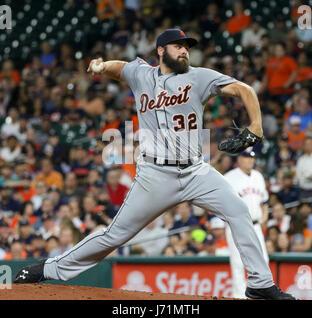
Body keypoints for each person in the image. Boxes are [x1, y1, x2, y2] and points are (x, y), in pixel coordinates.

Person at [14, 29, 294, 299]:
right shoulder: (142, 74)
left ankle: (260, 283)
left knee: (239, 211)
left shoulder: (200, 77)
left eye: (187, 47)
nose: (185, 51)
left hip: (196, 171)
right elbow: (120, 67)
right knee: (114, 235)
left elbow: (243, 89)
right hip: (155, 175)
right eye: (178, 46)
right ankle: (48, 268)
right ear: (161, 50)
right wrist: (100, 67)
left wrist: (256, 126)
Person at [224, 148, 269, 298]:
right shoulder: (229, 177)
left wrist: (264, 218)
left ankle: (261, 294)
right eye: (246, 157)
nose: (250, 160)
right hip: (236, 226)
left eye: (252, 157)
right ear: (239, 159)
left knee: (263, 260)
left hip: (255, 225)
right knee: (238, 263)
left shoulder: (258, 176)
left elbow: (265, 202)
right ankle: (239, 296)